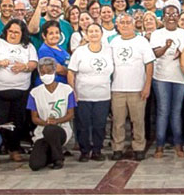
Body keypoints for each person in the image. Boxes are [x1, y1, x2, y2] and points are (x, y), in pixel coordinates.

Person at [0, 19, 38, 163]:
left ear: (22, 34)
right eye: (10, 31)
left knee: (18, 122)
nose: (13, 34)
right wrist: (0, 63)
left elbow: (34, 64)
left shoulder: (28, 46)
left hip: (20, 91)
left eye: (16, 32)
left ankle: (14, 149)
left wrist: (24, 66)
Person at [109, 13, 154, 160]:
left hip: (137, 89)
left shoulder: (142, 42)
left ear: (134, 24)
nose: (125, 25)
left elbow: (149, 64)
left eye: (128, 22)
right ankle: (118, 148)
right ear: (118, 25)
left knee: (138, 120)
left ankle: (139, 147)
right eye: (122, 23)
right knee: (118, 122)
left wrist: (147, 85)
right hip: (117, 88)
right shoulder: (113, 42)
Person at [67, 23, 114, 161]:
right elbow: (71, 72)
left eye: (96, 31)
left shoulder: (109, 50)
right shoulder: (79, 52)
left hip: (103, 95)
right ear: (86, 35)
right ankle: (84, 151)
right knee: (83, 124)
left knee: (100, 124)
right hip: (83, 95)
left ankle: (97, 150)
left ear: (101, 34)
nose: (94, 34)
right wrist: (73, 90)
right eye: (90, 31)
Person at [150, 5, 184, 158]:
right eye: (168, 14)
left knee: (176, 112)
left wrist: (182, 54)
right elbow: (154, 54)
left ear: (179, 16)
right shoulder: (156, 34)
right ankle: (159, 145)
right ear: (163, 17)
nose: (171, 17)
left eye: (175, 14)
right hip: (161, 77)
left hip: (181, 78)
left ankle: (178, 145)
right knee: (163, 111)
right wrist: (166, 47)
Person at [27, 57, 77, 170]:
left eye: (49, 71)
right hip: (42, 132)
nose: (46, 75)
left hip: (61, 130)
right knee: (35, 165)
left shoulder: (66, 90)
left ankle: (58, 158)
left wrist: (56, 121)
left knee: (51, 129)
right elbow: (34, 118)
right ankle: (49, 154)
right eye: (43, 72)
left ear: (54, 71)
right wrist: (46, 122)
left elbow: (70, 114)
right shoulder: (35, 93)